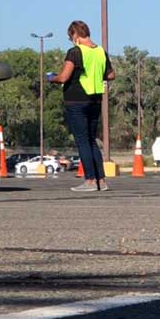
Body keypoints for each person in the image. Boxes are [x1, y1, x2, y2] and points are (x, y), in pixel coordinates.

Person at [46, 20, 115, 192]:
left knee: (82, 141)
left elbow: (63, 77)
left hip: (76, 101)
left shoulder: (75, 52)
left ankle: (90, 180)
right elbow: (111, 74)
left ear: (75, 35)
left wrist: (51, 78)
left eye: (71, 37)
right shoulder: (100, 51)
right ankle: (101, 180)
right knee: (92, 141)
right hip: (95, 100)